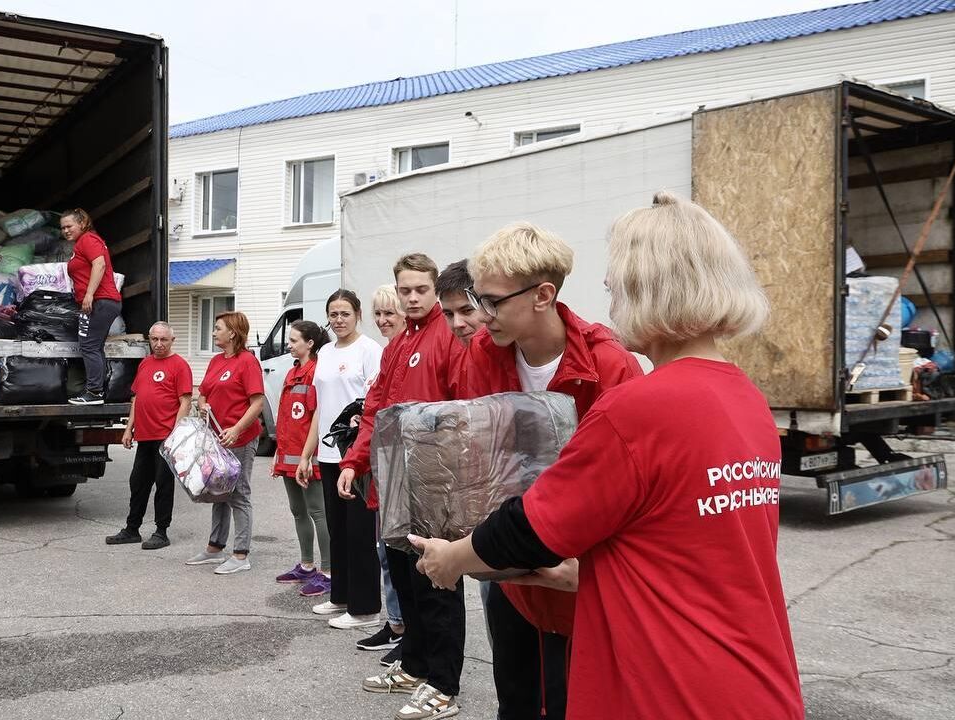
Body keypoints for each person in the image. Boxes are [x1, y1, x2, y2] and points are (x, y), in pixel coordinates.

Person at [412, 192, 805, 720]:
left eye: (616, 286)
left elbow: (533, 524)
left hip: (668, 682)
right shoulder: (746, 399)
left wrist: (451, 559)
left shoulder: (638, 405)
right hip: (752, 675)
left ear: (649, 293)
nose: (610, 299)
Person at [462, 222, 642, 720]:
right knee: (516, 700)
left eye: (494, 301)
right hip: (512, 568)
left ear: (544, 294)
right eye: (480, 297)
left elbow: (625, 491)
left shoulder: (611, 366)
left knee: (574, 703)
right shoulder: (483, 353)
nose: (482, 314)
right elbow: (482, 451)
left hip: (580, 580)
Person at [340, 254, 467, 720]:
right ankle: (413, 665)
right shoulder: (398, 344)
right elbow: (375, 407)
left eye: (420, 290)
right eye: (405, 290)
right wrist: (355, 460)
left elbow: (463, 414)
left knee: (437, 583)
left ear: (434, 290)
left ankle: (444, 684)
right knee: (406, 581)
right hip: (392, 484)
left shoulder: (448, 338)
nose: (412, 298)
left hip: (433, 486)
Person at [305, 290, 386, 631]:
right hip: (328, 452)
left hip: (356, 453)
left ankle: (365, 607)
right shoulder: (323, 351)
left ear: (357, 315)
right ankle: (340, 595)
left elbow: (373, 403)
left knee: (359, 531)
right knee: (337, 529)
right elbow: (321, 406)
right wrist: (308, 452)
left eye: (345, 313)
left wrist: (359, 453)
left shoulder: (370, 350)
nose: (338, 320)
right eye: (333, 314)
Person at [186, 311, 265, 575]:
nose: (213, 332)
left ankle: (241, 555)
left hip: (240, 438)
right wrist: (203, 405)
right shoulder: (216, 361)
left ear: (232, 332)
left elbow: (257, 403)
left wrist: (236, 429)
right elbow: (203, 394)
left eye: (218, 328)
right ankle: (214, 547)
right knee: (219, 492)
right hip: (217, 439)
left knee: (238, 493)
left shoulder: (247, 362)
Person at [105, 322, 194, 549]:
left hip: (166, 436)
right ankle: (132, 529)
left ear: (172, 340)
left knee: (163, 485)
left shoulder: (180, 365)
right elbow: (137, 398)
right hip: (144, 436)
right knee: (138, 482)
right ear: (149, 340)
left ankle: (161, 532)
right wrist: (128, 428)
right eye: (154, 339)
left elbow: (185, 401)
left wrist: (176, 434)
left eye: (164, 340)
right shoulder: (145, 364)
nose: (159, 344)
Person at [361, 285, 407, 662]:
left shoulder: (401, 351)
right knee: (386, 555)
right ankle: (395, 623)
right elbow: (375, 409)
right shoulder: (391, 351)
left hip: (403, 472)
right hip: (383, 468)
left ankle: (406, 628)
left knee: (401, 557)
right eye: (378, 313)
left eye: (388, 313)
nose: (382, 320)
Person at [273, 320, 332, 597]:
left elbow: (315, 420)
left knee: (318, 512)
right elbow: (286, 417)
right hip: (289, 457)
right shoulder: (292, 372)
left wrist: (306, 457)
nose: (289, 344)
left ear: (310, 343)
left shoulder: (315, 373)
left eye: (294, 340)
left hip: (308, 458)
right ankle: (307, 564)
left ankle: (329, 571)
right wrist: (280, 454)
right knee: (298, 511)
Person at [62, 208, 123, 406]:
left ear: (82, 223)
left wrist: (89, 294)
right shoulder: (82, 243)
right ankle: (98, 390)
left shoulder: (88, 239)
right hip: (101, 301)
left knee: (88, 346)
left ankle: (94, 392)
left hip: (100, 301)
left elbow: (100, 265)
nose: (65, 230)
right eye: (62, 228)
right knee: (94, 347)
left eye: (69, 226)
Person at [435, 260, 484, 346]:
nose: (457, 324)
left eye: (467, 311)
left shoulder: (513, 354)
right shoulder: (455, 355)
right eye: (449, 314)